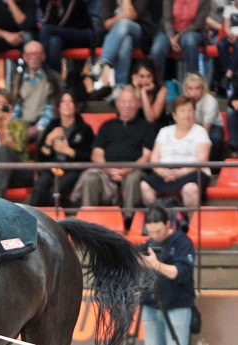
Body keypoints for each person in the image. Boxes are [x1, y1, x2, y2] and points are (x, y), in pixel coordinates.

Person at [70, 86, 156, 228]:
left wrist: (128, 169)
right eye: (123, 102)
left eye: (131, 102)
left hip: (134, 171)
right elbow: (96, 154)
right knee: (91, 178)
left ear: (138, 104)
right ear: (117, 104)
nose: (127, 106)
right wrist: (109, 169)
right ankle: (87, 222)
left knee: (133, 179)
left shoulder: (146, 127)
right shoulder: (107, 126)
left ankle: (128, 223)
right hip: (107, 171)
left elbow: (147, 156)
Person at [140, 95, 212, 221]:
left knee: (190, 188)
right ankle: (156, 222)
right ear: (174, 115)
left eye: (190, 110)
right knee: (145, 185)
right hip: (166, 171)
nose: (187, 114)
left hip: (193, 171)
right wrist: (162, 172)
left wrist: (181, 172)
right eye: (182, 111)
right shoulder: (164, 131)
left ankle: (192, 224)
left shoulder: (200, 131)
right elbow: (154, 158)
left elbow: (202, 159)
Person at [139, 205, 196, 345]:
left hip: (177, 306)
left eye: (158, 231)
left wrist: (156, 264)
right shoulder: (147, 244)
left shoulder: (182, 242)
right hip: (150, 305)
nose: (155, 235)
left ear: (168, 224)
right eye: (151, 231)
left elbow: (182, 272)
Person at [29, 90, 94, 207]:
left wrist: (68, 151)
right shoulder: (53, 125)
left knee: (55, 191)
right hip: (51, 167)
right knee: (40, 187)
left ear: (75, 106)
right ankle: (31, 219)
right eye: (63, 101)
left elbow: (89, 157)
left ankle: (51, 222)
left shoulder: (84, 129)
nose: (67, 104)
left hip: (72, 169)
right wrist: (48, 140)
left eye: (70, 101)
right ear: (59, 106)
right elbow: (41, 156)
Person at [88, 0, 155, 101]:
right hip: (118, 38)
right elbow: (106, 24)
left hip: (140, 32)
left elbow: (133, 16)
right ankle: (119, 86)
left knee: (124, 23)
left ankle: (103, 62)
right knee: (125, 41)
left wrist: (126, 1)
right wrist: (121, 16)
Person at [11, 40, 65, 142]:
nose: (33, 58)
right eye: (29, 54)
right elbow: (16, 106)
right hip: (22, 126)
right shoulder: (17, 79)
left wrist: (37, 128)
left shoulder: (53, 78)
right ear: (24, 57)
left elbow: (52, 107)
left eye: (37, 54)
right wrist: (17, 127)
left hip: (45, 127)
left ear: (43, 56)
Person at [149, 0, 211, 80]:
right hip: (168, 31)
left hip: (193, 31)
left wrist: (179, 36)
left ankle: (192, 82)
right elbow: (167, 20)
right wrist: (171, 37)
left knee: (189, 42)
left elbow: (198, 24)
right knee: (157, 49)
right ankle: (156, 86)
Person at [183, 72, 224, 161]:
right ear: (186, 89)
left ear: (203, 89)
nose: (194, 92)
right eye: (190, 89)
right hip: (191, 125)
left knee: (215, 138)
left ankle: (214, 168)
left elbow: (205, 131)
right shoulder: (183, 100)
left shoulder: (210, 101)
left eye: (197, 88)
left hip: (212, 126)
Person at [130, 58, 169, 129]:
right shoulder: (129, 90)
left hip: (156, 130)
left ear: (154, 76)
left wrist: (143, 92)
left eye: (149, 76)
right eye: (142, 76)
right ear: (135, 76)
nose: (145, 80)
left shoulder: (162, 89)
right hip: (137, 130)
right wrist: (138, 91)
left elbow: (151, 119)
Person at [217, 0, 238, 90]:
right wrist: (230, 34)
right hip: (231, 34)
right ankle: (229, 73)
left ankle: (228, 75)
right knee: (221, 44)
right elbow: (226, 26)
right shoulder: (229, 8)